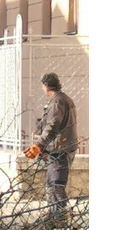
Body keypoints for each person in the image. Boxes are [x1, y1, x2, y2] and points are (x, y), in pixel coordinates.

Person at [24, 72, 78, 211]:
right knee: (51, 185)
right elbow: (48, 122)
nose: (42, 89)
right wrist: (38, 130)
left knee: (56, 186)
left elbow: (53, 125)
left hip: (61, 150)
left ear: (47, 86)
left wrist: (38, 145)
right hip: (58, 148)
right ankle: (54, 215)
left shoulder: (58, 101)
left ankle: (60, 216)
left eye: (43, 86)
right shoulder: (60, 99)